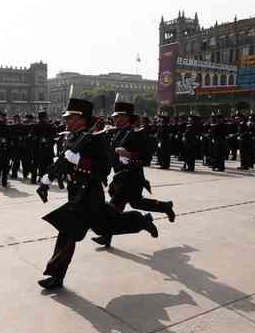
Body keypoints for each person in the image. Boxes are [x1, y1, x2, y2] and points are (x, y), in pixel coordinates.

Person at [36, 98, 159, 290]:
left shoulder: (95, 139)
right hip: (75, 194)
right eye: (67, 118)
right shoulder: (72, 137)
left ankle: (142, 221)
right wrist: (45, 181)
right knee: (97, 227)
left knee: (72, 231)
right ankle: (56, 276)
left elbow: (103, 168)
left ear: (83, 119)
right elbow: (61, 163)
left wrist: (80, 161)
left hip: (89, 195)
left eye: (72, 118)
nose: (67, 121)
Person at [91, 101, 175, 248]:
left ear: (128, 117)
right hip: (119, 177)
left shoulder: (138, 133)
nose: (116, 120)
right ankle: (164, 207)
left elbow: (147, 157)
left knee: (113, 208)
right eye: (115, 117)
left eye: (120, 117)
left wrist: (130, 154)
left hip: (132, 177)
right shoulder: (113, 132)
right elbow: (109, 154)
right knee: (136, 203)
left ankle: (138, 223)